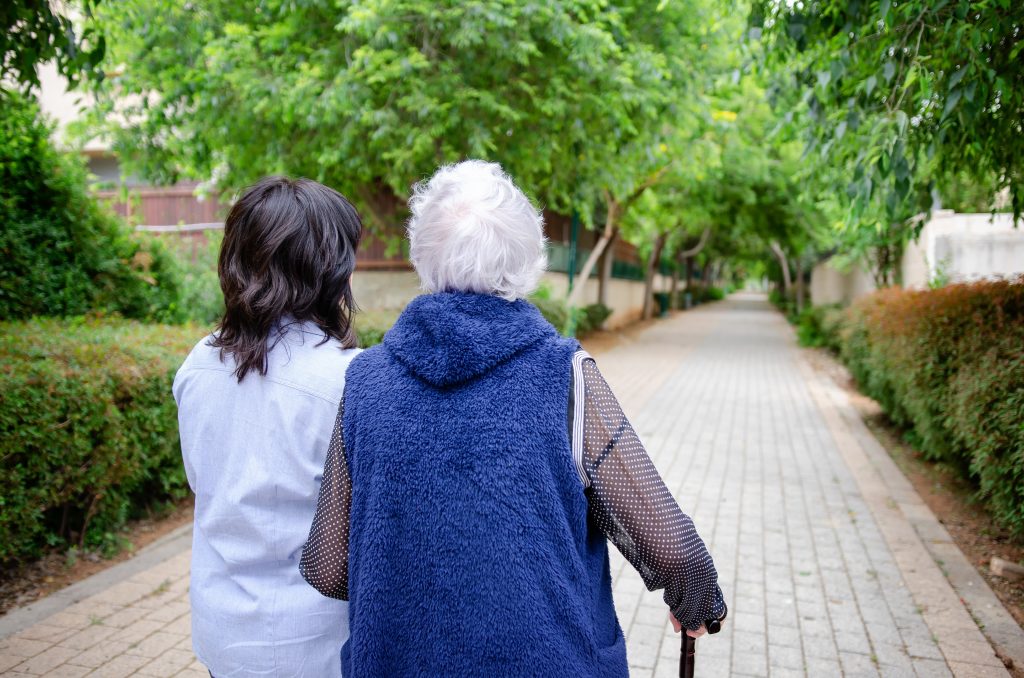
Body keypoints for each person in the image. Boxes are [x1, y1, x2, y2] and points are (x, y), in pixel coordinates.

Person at [300, 160, 726, 677]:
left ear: (422, 255)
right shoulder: (564, 374)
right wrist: (698, 600)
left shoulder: (366, 381)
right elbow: (671, 550)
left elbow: (326, 568)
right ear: (527, 257)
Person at [174, 176, 362, 677]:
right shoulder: (348, 379)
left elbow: (203, 482)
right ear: (331, 267)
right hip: (315, 642)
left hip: (222, 632)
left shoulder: (198, 364)